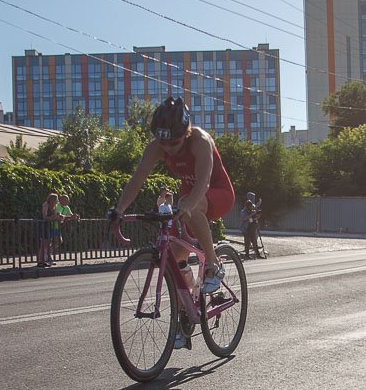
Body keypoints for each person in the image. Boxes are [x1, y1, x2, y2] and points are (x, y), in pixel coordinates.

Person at [111, 96, 235, 296]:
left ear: (186, 133)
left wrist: (187, 206)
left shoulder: (200, 141)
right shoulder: (156, 147)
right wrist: (119, 209)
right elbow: (137, 179)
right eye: (163, 142)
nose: (168, 148)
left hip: (218, 193)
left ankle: (213, 264)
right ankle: (190, 304)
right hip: (188, 197)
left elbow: (204, 182)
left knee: (190, 205)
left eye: (174, 143)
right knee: (176, 258)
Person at [37, 190, 58, 267]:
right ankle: (40, 261)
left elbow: (55, 215)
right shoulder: (46, 205)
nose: (57, 201)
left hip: (49, 224)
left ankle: (45, 259)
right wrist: (52, 218)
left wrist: (58, 217)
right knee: (44, 242)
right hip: (43, 224)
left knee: (48, 242)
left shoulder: (54, 206)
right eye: (56, 199)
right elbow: (44, 216)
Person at [240, 191, 261, 259]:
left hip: (252, 228)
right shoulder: (244, 211)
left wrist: (257, 216)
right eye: (250, 206)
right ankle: (247, 255)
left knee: (254, 242)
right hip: (246, 229)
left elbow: (254, 218)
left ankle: (258, 255)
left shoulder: (253, 209)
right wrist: (252, 214)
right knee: (247, 242)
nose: (251, 207)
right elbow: (244, 218)